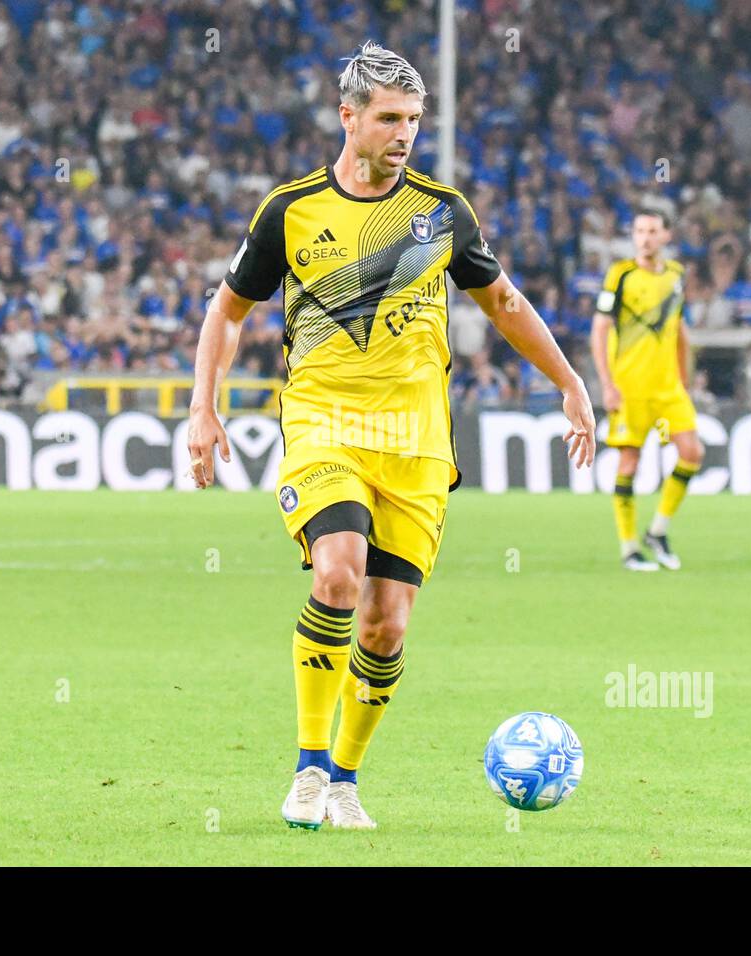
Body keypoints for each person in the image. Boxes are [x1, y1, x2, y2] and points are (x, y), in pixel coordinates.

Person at [186, 42, 595, 831]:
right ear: (348, 117)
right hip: (324, 423)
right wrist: (204, 407)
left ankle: (345, 779)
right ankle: (306, 772)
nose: (404, 133)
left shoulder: (443, 212)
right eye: (389, 118)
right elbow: (227, 310)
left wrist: (570, 383)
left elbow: (504, 303)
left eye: (413, 120)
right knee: (338, 574)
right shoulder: (291, 209)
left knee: (386, 624)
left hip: (417, 444)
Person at [591, 210, 704, 571]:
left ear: (667, 236)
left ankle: (658, 530)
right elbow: (599, 330)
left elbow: (680, 330)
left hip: (668, 386)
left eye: (652, 231)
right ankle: (629, 548)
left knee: (692, 452)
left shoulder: (676, 276)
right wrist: (607, 385)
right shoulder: (620, 275)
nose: (645, 238)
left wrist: (685, 379)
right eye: (639, 231)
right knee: (629, 461)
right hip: (629, 387)